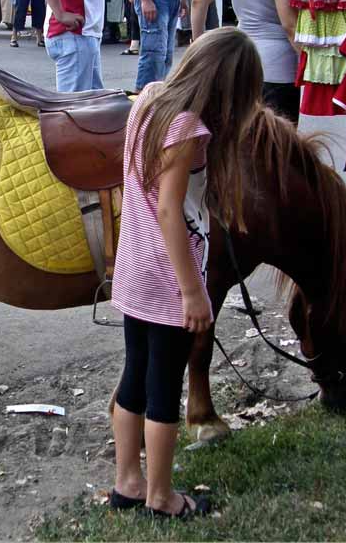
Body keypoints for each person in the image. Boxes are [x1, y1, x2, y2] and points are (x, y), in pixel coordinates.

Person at [109, 27, 263, 518]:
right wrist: (193, 291)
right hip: (165, 279)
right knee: (164, 388)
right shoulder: (186, 130)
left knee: (134, 376)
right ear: (228, 90)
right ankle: (160, 496)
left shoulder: (150, 99)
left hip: (134, 268)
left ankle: (127, 484)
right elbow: (169, 212)